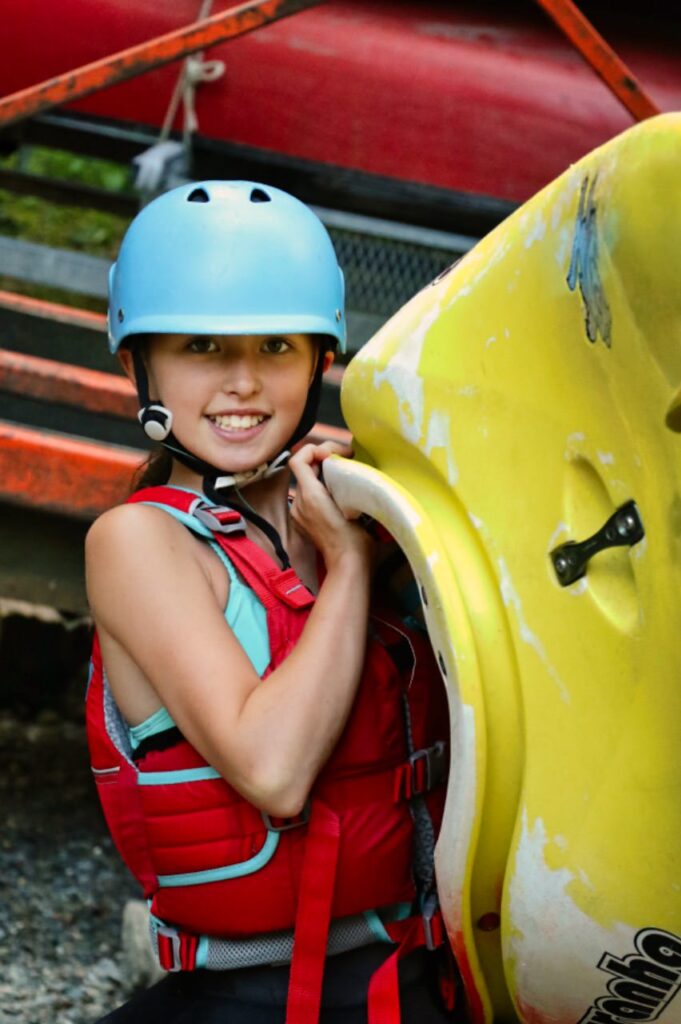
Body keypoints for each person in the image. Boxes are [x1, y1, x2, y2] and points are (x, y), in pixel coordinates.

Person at [84, 181, 453, 1023]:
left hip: (406, 978)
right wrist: (352, 567)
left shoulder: (347, 504)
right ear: (137, 364)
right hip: (246, 997)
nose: (245, 383)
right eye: (204, 347)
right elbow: (273, 773)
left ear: (321, 360)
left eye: (278, 347)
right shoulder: (139, 544)